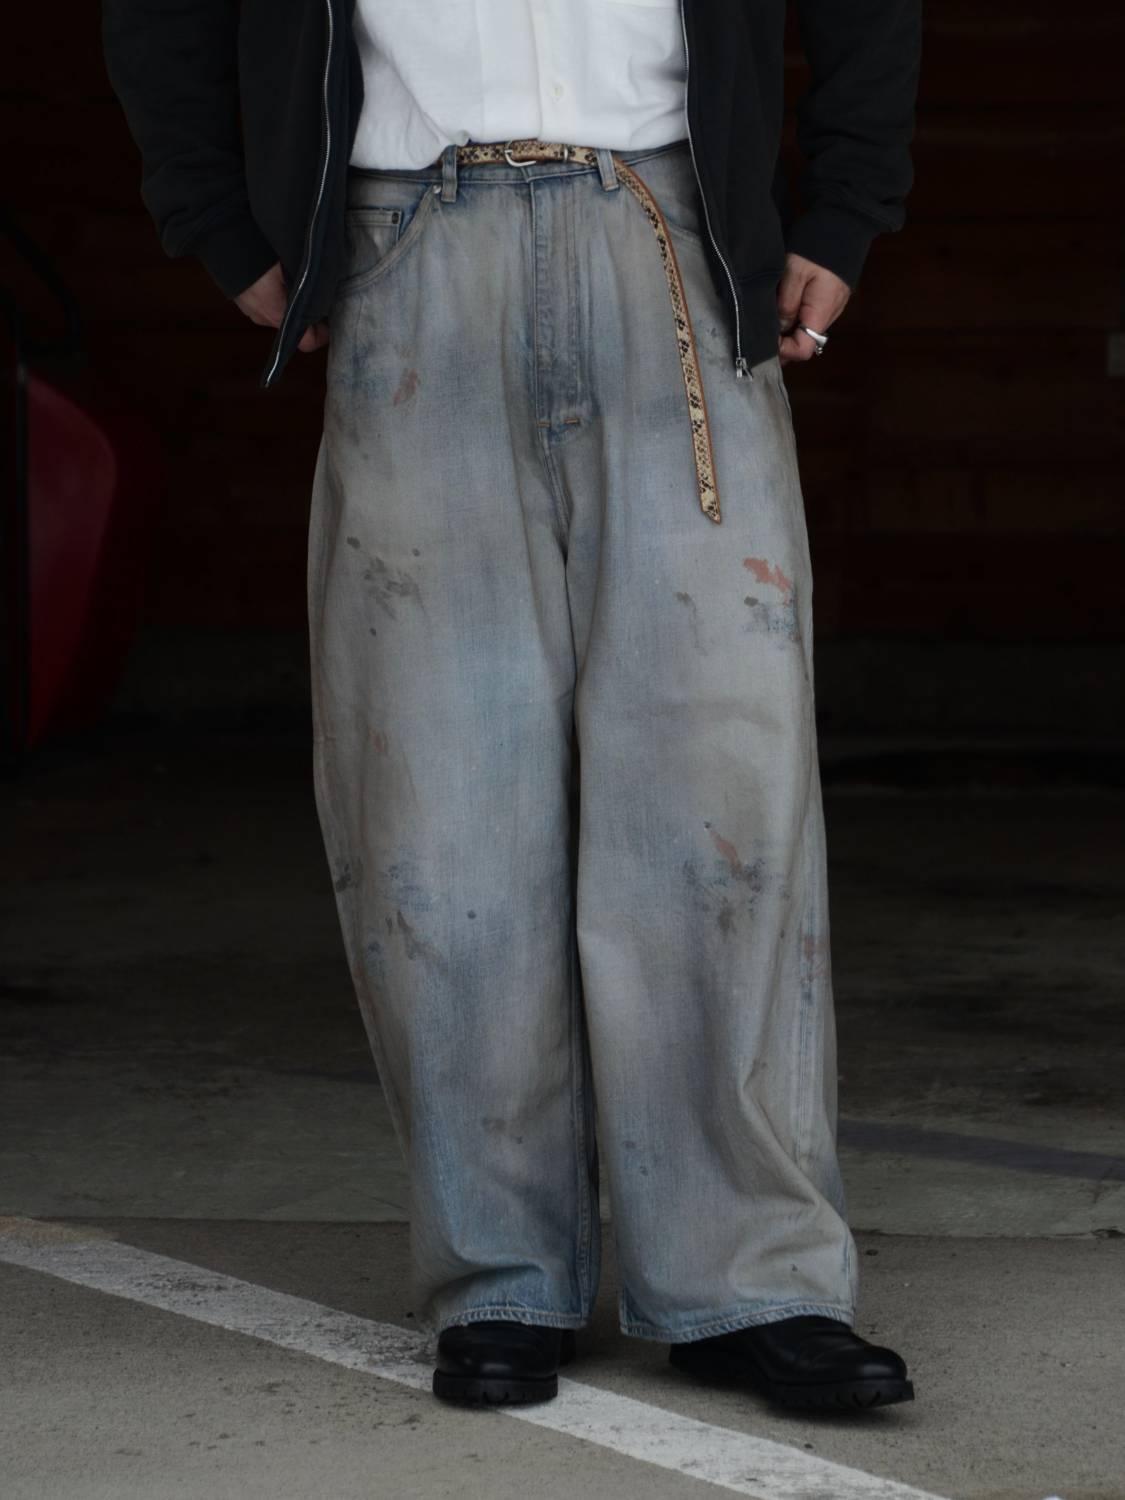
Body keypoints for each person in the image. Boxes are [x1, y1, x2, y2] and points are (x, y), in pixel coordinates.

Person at [103, 0, 922, 1412]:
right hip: (408, 239)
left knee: (719, 789)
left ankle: (753, 1279)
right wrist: (214, 217)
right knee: (440, 798)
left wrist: (847, 206)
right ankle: (500, 1274)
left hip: (669, 227)